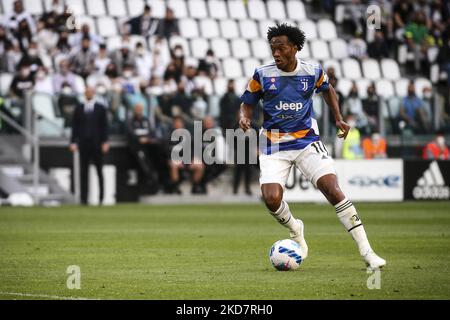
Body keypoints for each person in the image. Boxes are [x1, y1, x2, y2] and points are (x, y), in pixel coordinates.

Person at [239, 23, 386, 269]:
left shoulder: (312, 72)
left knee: (332, 189)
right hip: (274, 143)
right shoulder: (262, 75)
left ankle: (368, 253)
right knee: (271, 199)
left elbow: (329, 91)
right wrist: (244, 116)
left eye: (281, 48)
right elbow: (247, 102)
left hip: (307, 141)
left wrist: (338, 117)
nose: (275, 53)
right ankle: (296, 228)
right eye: (273, 48)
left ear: (295, 48)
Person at [70, 87, 109, 205]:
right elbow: (75, 126)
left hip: (97, 144)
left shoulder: (100, 108)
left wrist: (105, 142)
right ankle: (83, 199)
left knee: (99, 171)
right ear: (84, 94)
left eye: (91, 92)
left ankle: (101, 198)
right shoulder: (79, 108)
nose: (89, 94)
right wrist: (73, 142)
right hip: (84, 144)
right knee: (83, 172)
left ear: (94, 93)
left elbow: (104, 126)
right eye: (87, 92)